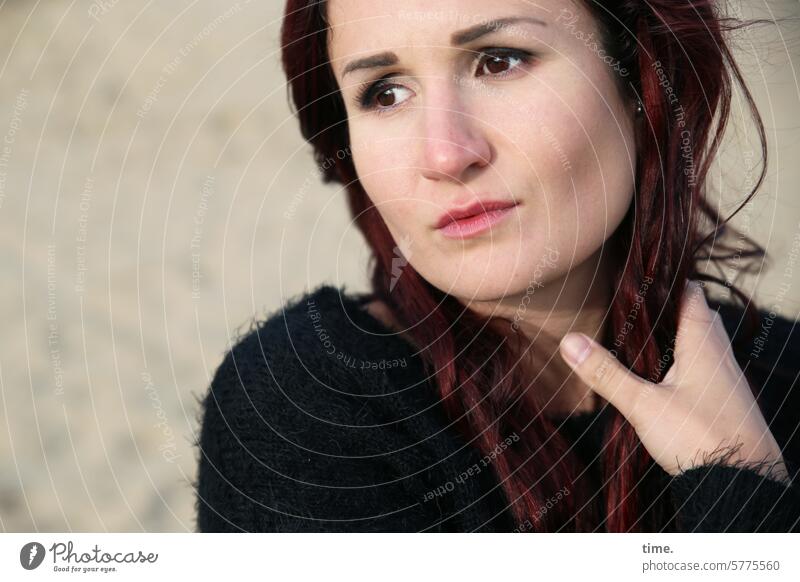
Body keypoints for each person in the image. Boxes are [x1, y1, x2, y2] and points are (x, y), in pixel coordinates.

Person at [194, 0, 800, 532]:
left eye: (498, 60)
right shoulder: (301, 408)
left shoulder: (785, 378)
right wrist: (745, 498)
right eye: (385, 92)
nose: (446, 154)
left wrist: (734, 463)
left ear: (643, 76)